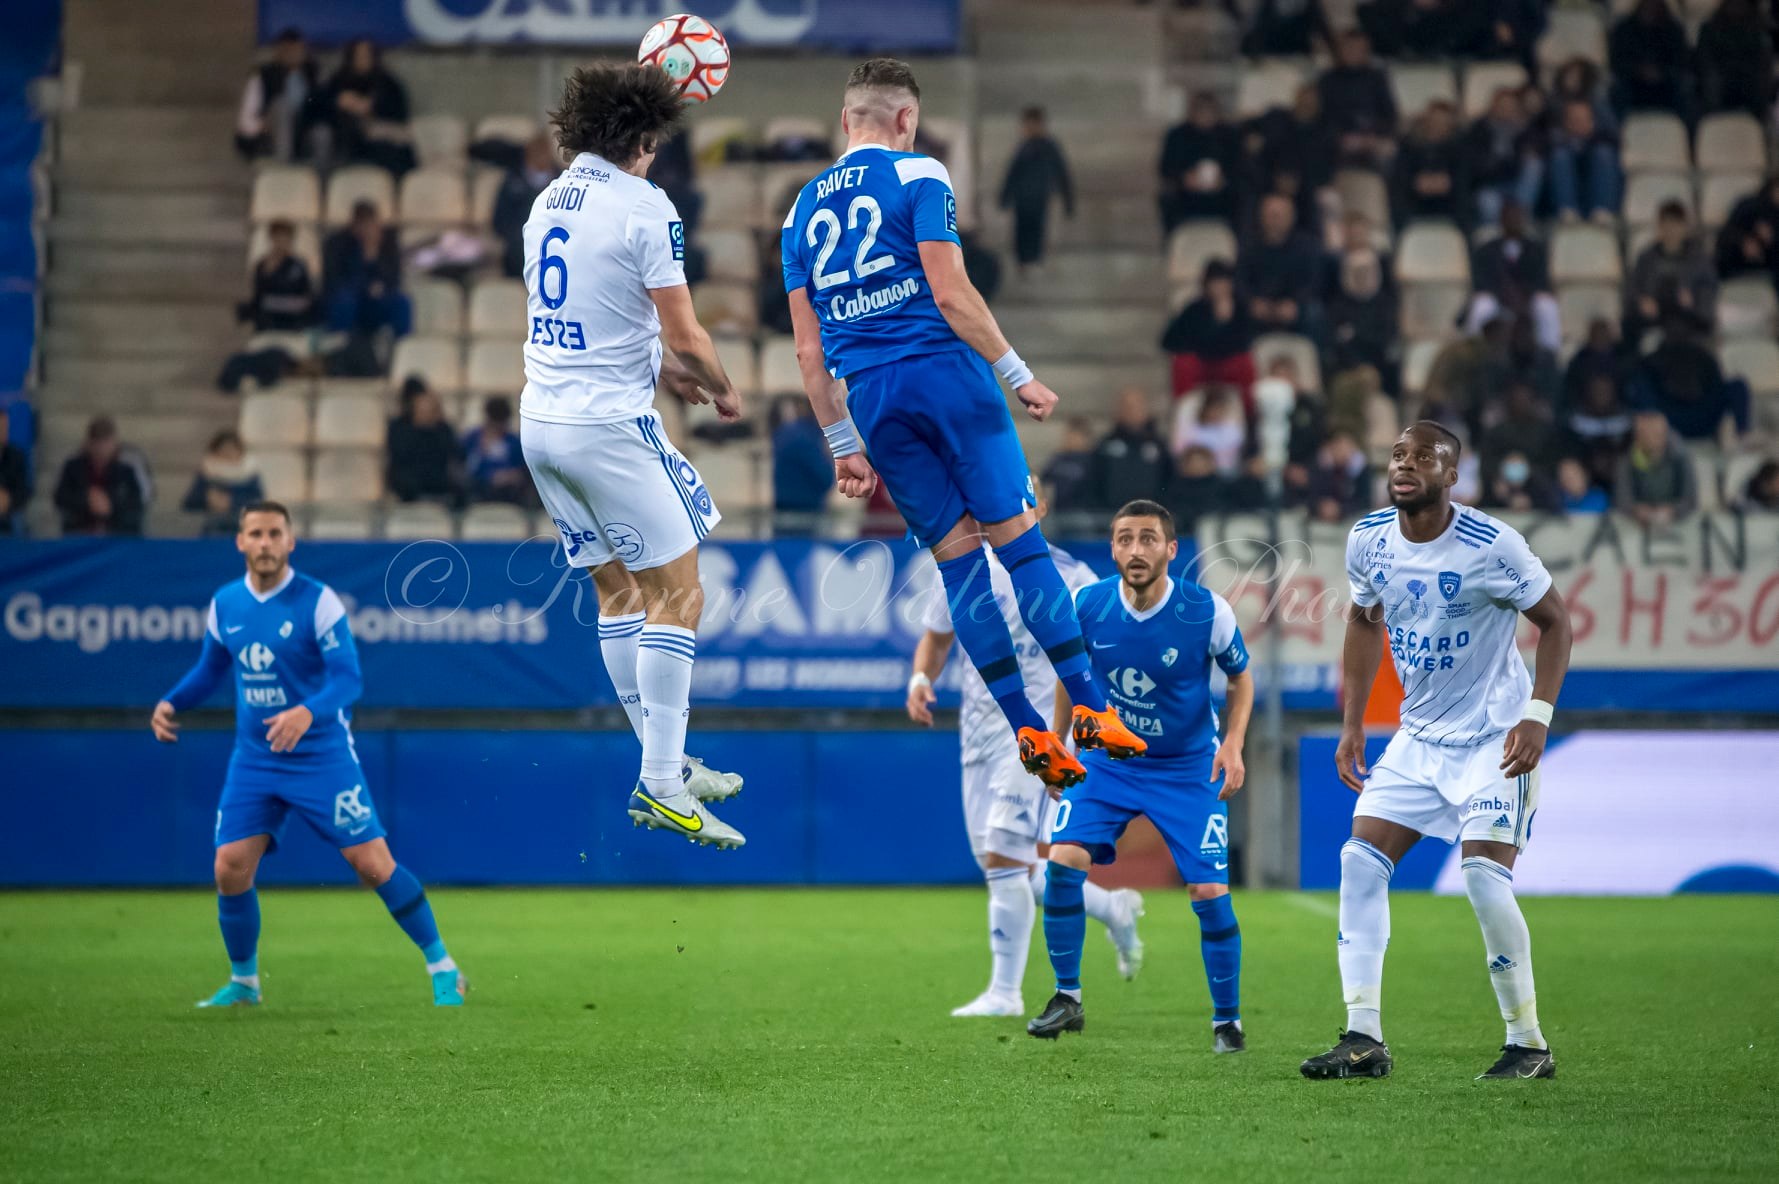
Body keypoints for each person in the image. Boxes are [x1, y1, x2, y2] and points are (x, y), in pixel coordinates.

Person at [783, 58, 1145, 791]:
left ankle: (1027, 729)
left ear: (845, 120)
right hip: (946, 377)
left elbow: (807, 351)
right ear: (907, 120)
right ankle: (1091, 709)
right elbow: (950, 293)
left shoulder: (797, 213)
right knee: (1021, 546)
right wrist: (1018, 373)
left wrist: (842, 444)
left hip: (873, 401)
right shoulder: (920, 174)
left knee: (958, 566)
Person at [1301, 421, 1572, 1082]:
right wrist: (1352, 723)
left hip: (1495, 738)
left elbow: (1556, 622)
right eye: (1398, 454)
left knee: (1482, 876)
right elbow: (1363, 619)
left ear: (1452, 476)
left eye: (1423, 457)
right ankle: (1362, 1038)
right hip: (1418, 739)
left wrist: (1536, 717)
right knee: (1358, 862)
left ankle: (1528, 1044)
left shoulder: (1492, 545)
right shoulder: (1368, 538)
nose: (1405, 465)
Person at [521, 64, 747, 846]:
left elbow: (591, 318)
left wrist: (662, 370)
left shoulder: (547, 201)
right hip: (607, 429)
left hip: (542, 423)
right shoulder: (646, 204)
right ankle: (661, 785)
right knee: (679, 597)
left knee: (617, 595)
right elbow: (686, 333)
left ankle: (666, 762)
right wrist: (719, 386)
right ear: (645, 139)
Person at [151, 502, 465, 1008]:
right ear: (240, 541)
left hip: (321, 755)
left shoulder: (318, 601)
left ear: (290, 541)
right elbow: (211, 669)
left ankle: (443, 966)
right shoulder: (226, 603)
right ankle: (244, 983)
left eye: (275, 533)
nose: (266, 543)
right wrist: (173, 701)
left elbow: (348, 679)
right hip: (255, 759)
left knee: (371, 864)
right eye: (256, 533)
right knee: (230, 866)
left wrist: (306, 712)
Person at [1027, 500, 1254, 1052]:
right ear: (1112, 548)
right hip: (1109, 760)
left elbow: (1240, 677)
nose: (1136, 549)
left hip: (1187, 767)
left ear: (1171, 550)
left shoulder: (1207, 611)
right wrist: (1059, 742)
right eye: (1125, 538)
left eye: (1148, 539)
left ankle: (1227, 1022)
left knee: (1209, 890)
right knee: (1063, 861)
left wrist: (1233, 744)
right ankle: (1067, 997)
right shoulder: (1088, 603)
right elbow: (1070, 673)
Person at [905, 504, 1145, 1018]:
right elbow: (936, 638)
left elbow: (1094, 658)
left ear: (1037, 509)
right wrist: (921, 679)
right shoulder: (962, 566)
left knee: (1004, 855)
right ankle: (1113, 907)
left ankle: (1005, 993)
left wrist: (1070, 738)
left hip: (1038, 737)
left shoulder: (1071, 577)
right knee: (1004, 864)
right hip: (977, 735)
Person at [1465, 201, 1560, 352]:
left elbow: (1541, 280)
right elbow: (1481, 282)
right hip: (1498, 299)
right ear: (1501, 220)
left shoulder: (1536, 249)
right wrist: (1502, 294)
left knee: (1547, 306)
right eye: (1509, 217)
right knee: (1481, 305)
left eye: (1517, 217)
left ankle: (1549, 355)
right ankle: (1474, 354)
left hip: (1527, 301)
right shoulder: (1486, 250)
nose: (1513, 221)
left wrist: (1524, 297)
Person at [1625, 200, 1718, 343]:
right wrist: (1642, 302)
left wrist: (1693, 303)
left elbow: (1709, 291)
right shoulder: (1646, 258)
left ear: (1684, 227)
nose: (1671, 231)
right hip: (1653, 319)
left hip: (1687, 321)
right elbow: (1632, 288)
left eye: (1675, 225)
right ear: (1660, 227)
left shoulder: (1699, 260)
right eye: (1666, 225)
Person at [1162, 259, 1255, 400]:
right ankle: (1184, 407)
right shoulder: (1194, 309)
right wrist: (1214, 324)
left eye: (1224, 283)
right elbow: (1169, 340)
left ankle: (1249, 411)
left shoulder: (1240, 310)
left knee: (1244, 363)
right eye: (1215, 283)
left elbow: (1244, 343)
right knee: (1183, 363)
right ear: (1206, 285)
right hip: (1202, 364)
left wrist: (1225, 322)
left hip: (1227, 364)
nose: (1220, 288)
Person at [998, 106, 1074, 277]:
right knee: (1021, 232)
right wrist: (1005, 197)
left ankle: (1034, 261)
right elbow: (1012, 174)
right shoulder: (1023, 147)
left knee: (1037, 231)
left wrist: (1068, 202)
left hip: (1039, 199)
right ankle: (1022, 263)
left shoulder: (1050, 147)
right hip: (1022, 199)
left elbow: (1062, 174)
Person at [1237, 193, 1324, 340]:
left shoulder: (1307, 246)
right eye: (1270, 215)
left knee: (1314, 312)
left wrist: (1295, 303)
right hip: (1260, 304)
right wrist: (1251, 301)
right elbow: (1240, 280)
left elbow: (1314, 281)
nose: (1274, 220)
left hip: (1294, 305)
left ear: (1291, 217)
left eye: (1278, 215)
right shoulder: (1249, 245)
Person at [323, 199, 411, 340]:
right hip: (351, 299)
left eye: (370, 224)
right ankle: (340, 344)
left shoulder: (388, 243)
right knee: (343, 300)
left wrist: (374, 252)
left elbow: (394, 278)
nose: (366, 230)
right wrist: (364, 254)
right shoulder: (337, 243)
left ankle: (401, 345)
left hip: (378, 300)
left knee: (402, 302)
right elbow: (334, 280)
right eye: (362, 224)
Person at [323, 39, 414, 174]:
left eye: (366, 55)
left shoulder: (387, 83)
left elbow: (399, 114)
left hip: (382, 139)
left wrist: (372, 107)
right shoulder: (338, 81)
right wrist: (343, 103)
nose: (362, 60)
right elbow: (321, 107)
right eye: (358, 56)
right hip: (347, 142)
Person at [235, 27, 322, 161]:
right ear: (278, 51)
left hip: (303, 129)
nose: (293, 54)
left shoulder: (312, 76)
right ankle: (283, 162)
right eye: (288, 50)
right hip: (271, 131)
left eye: (297, 50)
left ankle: (317, 171)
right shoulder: (263, 75)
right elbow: (246, 119)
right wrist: (261, 126)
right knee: (282, 105)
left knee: (321, 131)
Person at [1159, 92, 1239, 233]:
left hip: (1221, 196)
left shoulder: (1228, 135)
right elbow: (1165, 167)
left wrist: (1224, 179)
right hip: (1186, 196)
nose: (1205, 116)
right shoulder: (1177, 136)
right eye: (1201, 111)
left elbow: (1239, 165)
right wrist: (1184, 178)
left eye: (1209, 111)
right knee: (1167, 198)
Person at [1316, 29, 1397, 169]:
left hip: (1373, 137)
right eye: (1349, 48)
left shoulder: (1377, 78)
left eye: (1358, 49)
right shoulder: (1328, 80)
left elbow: (1390, 114)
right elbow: (1323, 116)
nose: (1353, 52)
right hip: (1339, 139)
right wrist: (1342, 137)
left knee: (1389, 152)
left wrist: (1372, 137)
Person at [54, 416, 145, 536]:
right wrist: (87, 500)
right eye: (97, 443)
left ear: (114, 443)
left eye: (106, 442)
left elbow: (136, 503)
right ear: (89, 443)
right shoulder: (73, 468)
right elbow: (60, 497)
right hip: (80, 532)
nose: (101, 448)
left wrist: (110, 504)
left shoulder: (126, 471)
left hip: (118, 534)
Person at [1464, 88, 1541, 229]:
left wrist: (1523, 132)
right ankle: (1495, 235)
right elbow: (1477, 165)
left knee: (1534, 165)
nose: (1506, 109)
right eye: (1502, 105)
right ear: (1493, 106)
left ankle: (1523, 218)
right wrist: (1502, 164)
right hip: (1489, 184)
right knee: (1488, 203)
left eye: (1510, 106)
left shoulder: (1523, 129)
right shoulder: (1478, 129)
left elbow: (1534, 151)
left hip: (1516, 183)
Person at [493, 134, 563, 279]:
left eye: (544, 153)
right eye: (536, 153)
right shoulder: (512, 180)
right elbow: (499, 220)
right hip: (519, 247)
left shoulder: (564, 181)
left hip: (555, 243)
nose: (541, 157)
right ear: (528, 155)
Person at [1609, 0, 1694, 119]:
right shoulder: (1624, 29)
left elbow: (1680, 62)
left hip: (1665, 84)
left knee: (1684, 92)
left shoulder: (1673, 30)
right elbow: (1618, 61)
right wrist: (1639, 71)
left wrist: (1661, 72)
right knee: (1617, 92)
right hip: (1633, 83)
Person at [1092, 386, 1172, 511]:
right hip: (1113, 513)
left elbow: (1169, 480)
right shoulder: (1106, 445)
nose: (1132, 411)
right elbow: (1095, 479)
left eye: (1137, 406)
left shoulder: (1159, 445)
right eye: (1127, 407)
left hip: (1150, 514)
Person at [386, 377, 463, 505]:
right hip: (411, 478)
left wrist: (433, 426)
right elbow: (400, 454)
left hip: (437, 476)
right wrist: (419, 427)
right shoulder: (399, 426)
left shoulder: (442, 428)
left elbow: (453, 452)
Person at [1391, 100, 1467, 228]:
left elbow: (1463, 171)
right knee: (1398, 193)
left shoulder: (1458, 145)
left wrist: (1448, 181)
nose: (1437, 124)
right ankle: (1401, 233)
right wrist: (1415, 181)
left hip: (1448, 197)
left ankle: (1464, 235)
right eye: (1434, 120)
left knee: (1464, 195)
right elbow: (1402, 170)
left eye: (1442, 121)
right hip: (1415, 195)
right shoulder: (1409, 143)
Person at [1546, 99, 1621, 225]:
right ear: (1566, 122)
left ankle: (1602, 211)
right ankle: (1567, 211)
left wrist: (1588, 139)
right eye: (1574, 119)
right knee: (1560, 156)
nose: (1579, 123)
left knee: (1604, 154)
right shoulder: (1556, 142)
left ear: (1592, 121)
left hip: (1594, 193)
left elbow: (1615, 145)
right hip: (1566, 198)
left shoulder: (1604, 139)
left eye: (1583, 119)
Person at [1696, 0, 1774, 121]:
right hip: (1720, 84)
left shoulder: (1757, 31)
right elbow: (1704, 62)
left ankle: (1758, 121)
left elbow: (1761, 62)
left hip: (1748, 84)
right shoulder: (1709, 29)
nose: (1737, 6)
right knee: (1711, 80)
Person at [1615, 409, 1695, 526]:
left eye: (1656, 434)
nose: (1650, 438)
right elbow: (1622, 499)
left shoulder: (1680, 457)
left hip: (1676, 520)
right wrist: (1637, 510)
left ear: (1664, 433)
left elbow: (1690, 499)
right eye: (1644, 434)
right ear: (1637, 436)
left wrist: (1672, 511)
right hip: (1636, 522)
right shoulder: (1627, 459)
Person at [182, 429, 265, 536]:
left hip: (242, 530)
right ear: (215, 452)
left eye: (231, 450)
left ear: (240, 452)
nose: (228, 454)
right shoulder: (207, 475)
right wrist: (207, 499)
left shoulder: (250, 474)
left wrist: (232, 502)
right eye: (223, 450)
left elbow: (258, 502)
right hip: (213, 531)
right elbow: (189, 504)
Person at [239, 219, 317, 333]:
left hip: (293, 319)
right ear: (272, 238)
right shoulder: (262, 265)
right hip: (269, 318)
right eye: (278, 238)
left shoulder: (299, 265)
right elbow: (259, 295)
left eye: (286, 238)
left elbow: (307, 292)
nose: (282, 242)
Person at [770, 396, 834, 533]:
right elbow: (826, 477)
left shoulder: (787, 432)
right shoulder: (807, 438)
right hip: (805, 513)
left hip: (784, 509)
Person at [461, 396, 529, 505]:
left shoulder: (514, 442)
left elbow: (521, 470)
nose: (496, 428)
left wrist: (509, 476)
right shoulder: (473, 438)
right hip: (479, 488)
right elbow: (468, 467)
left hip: (509, 491)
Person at [1714, 175, 1779, 282]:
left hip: (1768, 262)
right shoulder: (1749, 205)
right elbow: (1727, 232)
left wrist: (1771, 238)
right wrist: (1743, 241)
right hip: (1737, 257)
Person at [1040, 418, 1096, 516]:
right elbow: (1044, 479)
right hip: (1059, 511)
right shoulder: (1058, 459)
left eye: (1076, 436)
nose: (1071, 439)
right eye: (1069, 435)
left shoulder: (1092, 460)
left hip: (1083, 511)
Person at [0, 407, 30, 535]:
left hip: (7, 514)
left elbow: (24, 490)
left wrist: (9, 500)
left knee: (19, 522)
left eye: (5, 426)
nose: (4, 431)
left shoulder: (16, 456)